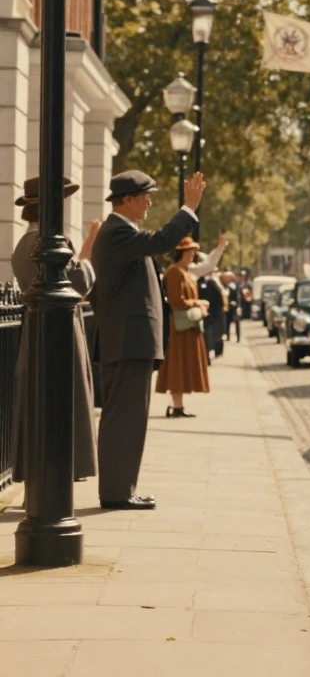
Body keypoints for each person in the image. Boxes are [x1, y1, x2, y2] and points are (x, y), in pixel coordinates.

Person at [90, 170, 203, 510]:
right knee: (125, 418)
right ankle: (116, 492)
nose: (150, 202)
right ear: (127, 199)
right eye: (145, 196)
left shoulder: (121, 233)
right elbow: (162, 240)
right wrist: (189, 208)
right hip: (127, 343)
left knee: (128, 418)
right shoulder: (117, 233)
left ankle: (122, 488)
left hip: (128, 342)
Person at [10, 176, 99, 485]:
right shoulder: (47, 242)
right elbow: (80, 281)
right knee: (60, 404)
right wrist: (87, 262)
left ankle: (46, 477)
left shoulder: (24, 243)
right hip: (57, 336)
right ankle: (55, 478)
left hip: (38, 332)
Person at [155, 237, 212, 417]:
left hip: (186, 327)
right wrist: (198, 303)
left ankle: (178, 405)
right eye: (188, 251)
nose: (191, 255)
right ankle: (176, 405)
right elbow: (176, 300)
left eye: (193, 252)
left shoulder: (184, 272)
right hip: (178, 327)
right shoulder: (175, 273)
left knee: (182, 365)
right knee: (177, 365)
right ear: (179, 253)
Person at [193, 234, 229, 360]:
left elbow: (209, 264)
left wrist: (220, 248)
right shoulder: (179, 272)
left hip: (204, 317)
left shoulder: (207, 279)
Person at [222, 271, 242, 343]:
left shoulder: (235, 285)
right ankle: (228, 336)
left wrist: (237, 304)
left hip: (235, 306)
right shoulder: (224, 285)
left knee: (237, 322)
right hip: (228, 307)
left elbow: (238, 296)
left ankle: (238, 337)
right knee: (227, 322)